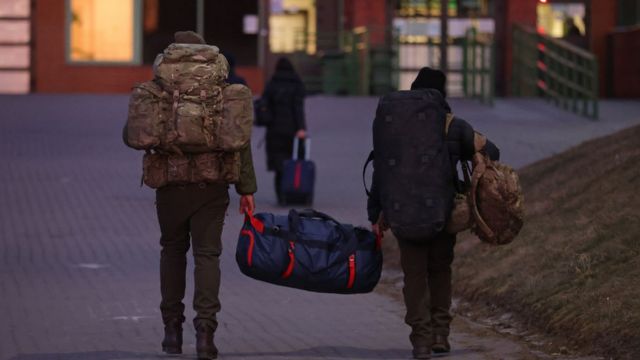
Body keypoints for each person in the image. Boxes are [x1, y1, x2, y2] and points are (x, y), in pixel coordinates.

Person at [137, 31, 257, 360]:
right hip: (212, 183)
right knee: (208, 257)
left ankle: (171, 333)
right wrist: (247, 188)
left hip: (170, 184)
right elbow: (240, 139)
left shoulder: (161, 84)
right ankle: (206, 335)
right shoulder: (218, 85)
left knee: (172, 253)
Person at [367, 67, 499, 359]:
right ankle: (441, 334)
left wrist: (375, 212)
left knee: (414, 278)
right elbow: (494, 151)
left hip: (403, 215)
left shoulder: (393, 125)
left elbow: (381, 172)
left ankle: (421, 342)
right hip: (443, 214)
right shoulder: (451, 124)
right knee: (440, 272)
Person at [261, 57, 307, 204]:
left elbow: (264, 103)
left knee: (278, 164)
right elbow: (298, 108)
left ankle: (281, 196)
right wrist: (301, 128)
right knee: (293, 162)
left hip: (274, 130)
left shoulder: (272, 83)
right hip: (292, 130)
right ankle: (294, 193)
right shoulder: (296, 84)